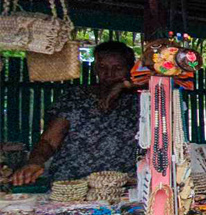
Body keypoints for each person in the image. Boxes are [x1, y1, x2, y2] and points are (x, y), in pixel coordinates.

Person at [13, 41, 140, 185]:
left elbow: (162, 80)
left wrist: (124, 86)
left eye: (117, 68)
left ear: (130, 69)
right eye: (102, 67)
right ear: (95, 68)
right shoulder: (76, 96)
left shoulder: (141, 98)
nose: (109, 74)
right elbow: (49, 140)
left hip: (119, 186)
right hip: (71, 184)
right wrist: (35, 162)